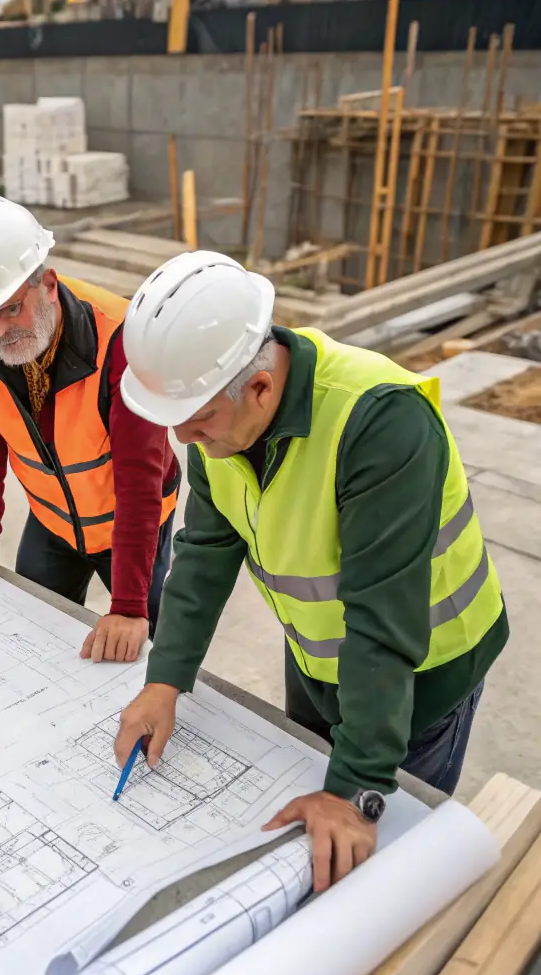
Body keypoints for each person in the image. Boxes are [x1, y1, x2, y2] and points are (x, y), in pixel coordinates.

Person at [113, 251, 507, 892]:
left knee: (376, 869)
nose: (186, 440)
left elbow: (382, 622)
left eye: (198, 422)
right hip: (318, 661)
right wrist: (165, 682)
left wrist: (357, 793)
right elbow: (206, 554)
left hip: (423, 676)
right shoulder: (224, 421)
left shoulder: (380, 422)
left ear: (262, 388)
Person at [0, 195, 180, 664]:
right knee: (33, 632)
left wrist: (128, 606)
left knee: (152, 643)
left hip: (129, 524)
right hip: (52, 522)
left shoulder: (122, 342)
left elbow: (139, 480)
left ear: (47, 284)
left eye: (10, 310)